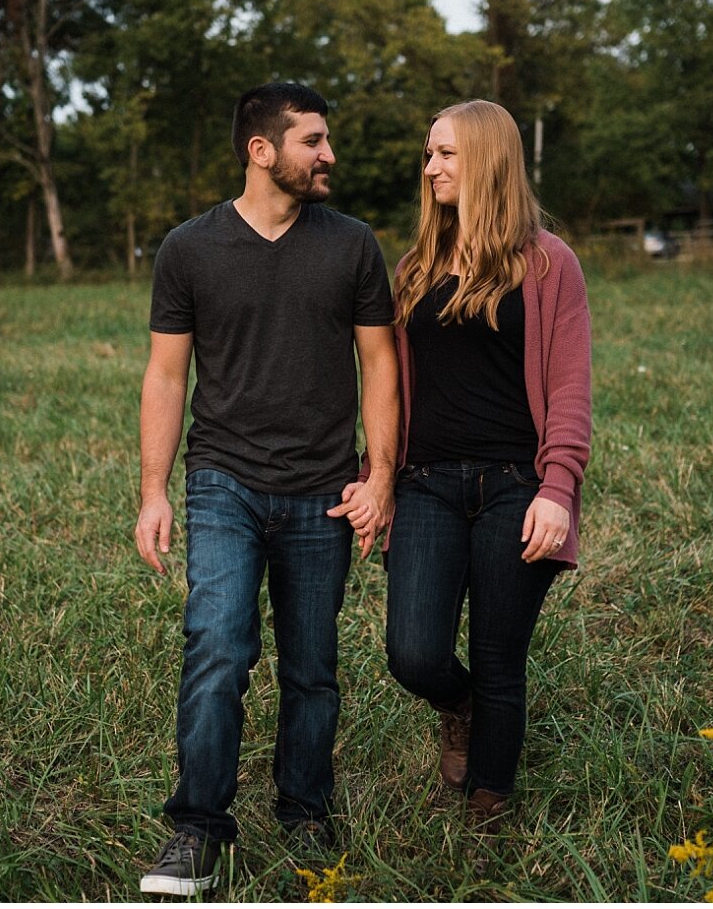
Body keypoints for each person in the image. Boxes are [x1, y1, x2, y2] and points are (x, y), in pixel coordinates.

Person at [134, 82, 399, 895]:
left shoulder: (352, 245)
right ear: (261, 150)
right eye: (312, 141)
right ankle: (196, 830)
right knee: (218, 646)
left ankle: (305, 813)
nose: (329, 155)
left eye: (326, 141)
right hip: (226, 482)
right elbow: (167, 376)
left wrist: (379, 475)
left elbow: (381, 362)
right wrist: (153, 491)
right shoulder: (189, 248)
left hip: (324, 486)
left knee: (313, 667)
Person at [382, 99, 591, 833]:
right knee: (412, 652)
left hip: (516, 488)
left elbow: (569, 387)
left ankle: (489, 805)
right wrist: (379, 474)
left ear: (488, 161)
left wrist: (557, 488)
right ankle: (457, 706)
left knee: (501, 657)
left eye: (446, 154)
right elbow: (393, 390)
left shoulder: (547, 264)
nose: (431, 167)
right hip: (428, 486)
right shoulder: (414, 269)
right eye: (428, 154)